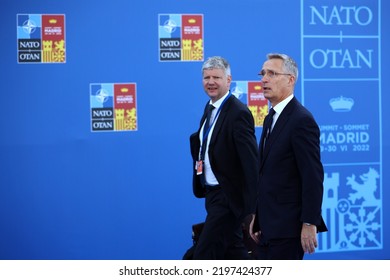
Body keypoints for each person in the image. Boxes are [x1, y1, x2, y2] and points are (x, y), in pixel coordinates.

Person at [249, 53, 328, 260]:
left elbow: (312, 176)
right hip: (266, 228)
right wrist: (257, 218)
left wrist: (309, 223)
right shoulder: (270, 118)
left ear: (290, 80)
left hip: (288, 230)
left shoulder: (301, 120)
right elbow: (266, 173)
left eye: (272, 73)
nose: (264, 79)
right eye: (263, 73)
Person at [189, 56, 259, 259]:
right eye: (206, 77)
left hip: (228, 198)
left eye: (216, 77)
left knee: (200, 256)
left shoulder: (238, 113)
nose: (210, 82)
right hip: (212, 195)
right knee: (233, 252)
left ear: (229, 80)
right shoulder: (209, 108)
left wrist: (253, 209)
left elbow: (251, 163)